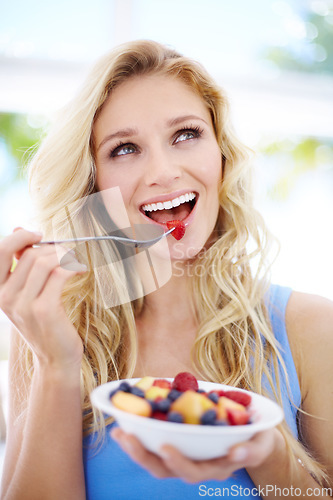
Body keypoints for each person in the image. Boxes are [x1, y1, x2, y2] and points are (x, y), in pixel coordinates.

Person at [0, 39, 332, 500]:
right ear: (93, 182)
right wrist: (57, 366)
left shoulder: (312, 328)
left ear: (221, 154)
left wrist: (266, 451)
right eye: (124, 149)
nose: (163, 171)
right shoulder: (50, 329)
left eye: (186, 135)